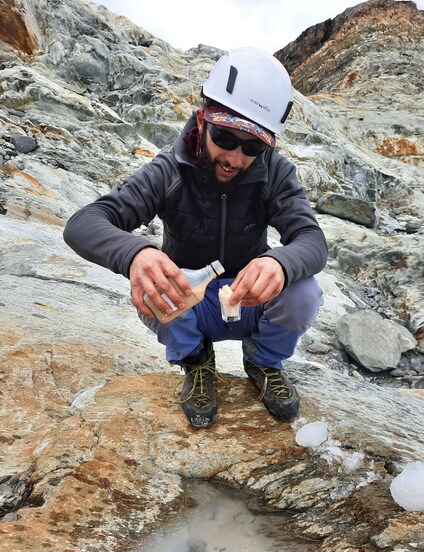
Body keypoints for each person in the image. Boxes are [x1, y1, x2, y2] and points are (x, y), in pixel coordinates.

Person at [63, 47, 327, 429]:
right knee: (152, 290)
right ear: (203, 121)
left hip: (250, 298)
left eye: (252, 146)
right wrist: (136, 254)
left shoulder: (276, 172)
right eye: (224, 137)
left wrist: (279, 264)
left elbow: (312, 239)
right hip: (190, 302)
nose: (234, 158)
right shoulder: (169, 171)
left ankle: (264, 361)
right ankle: (197, 360)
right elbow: (83, 223)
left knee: (304, 292)